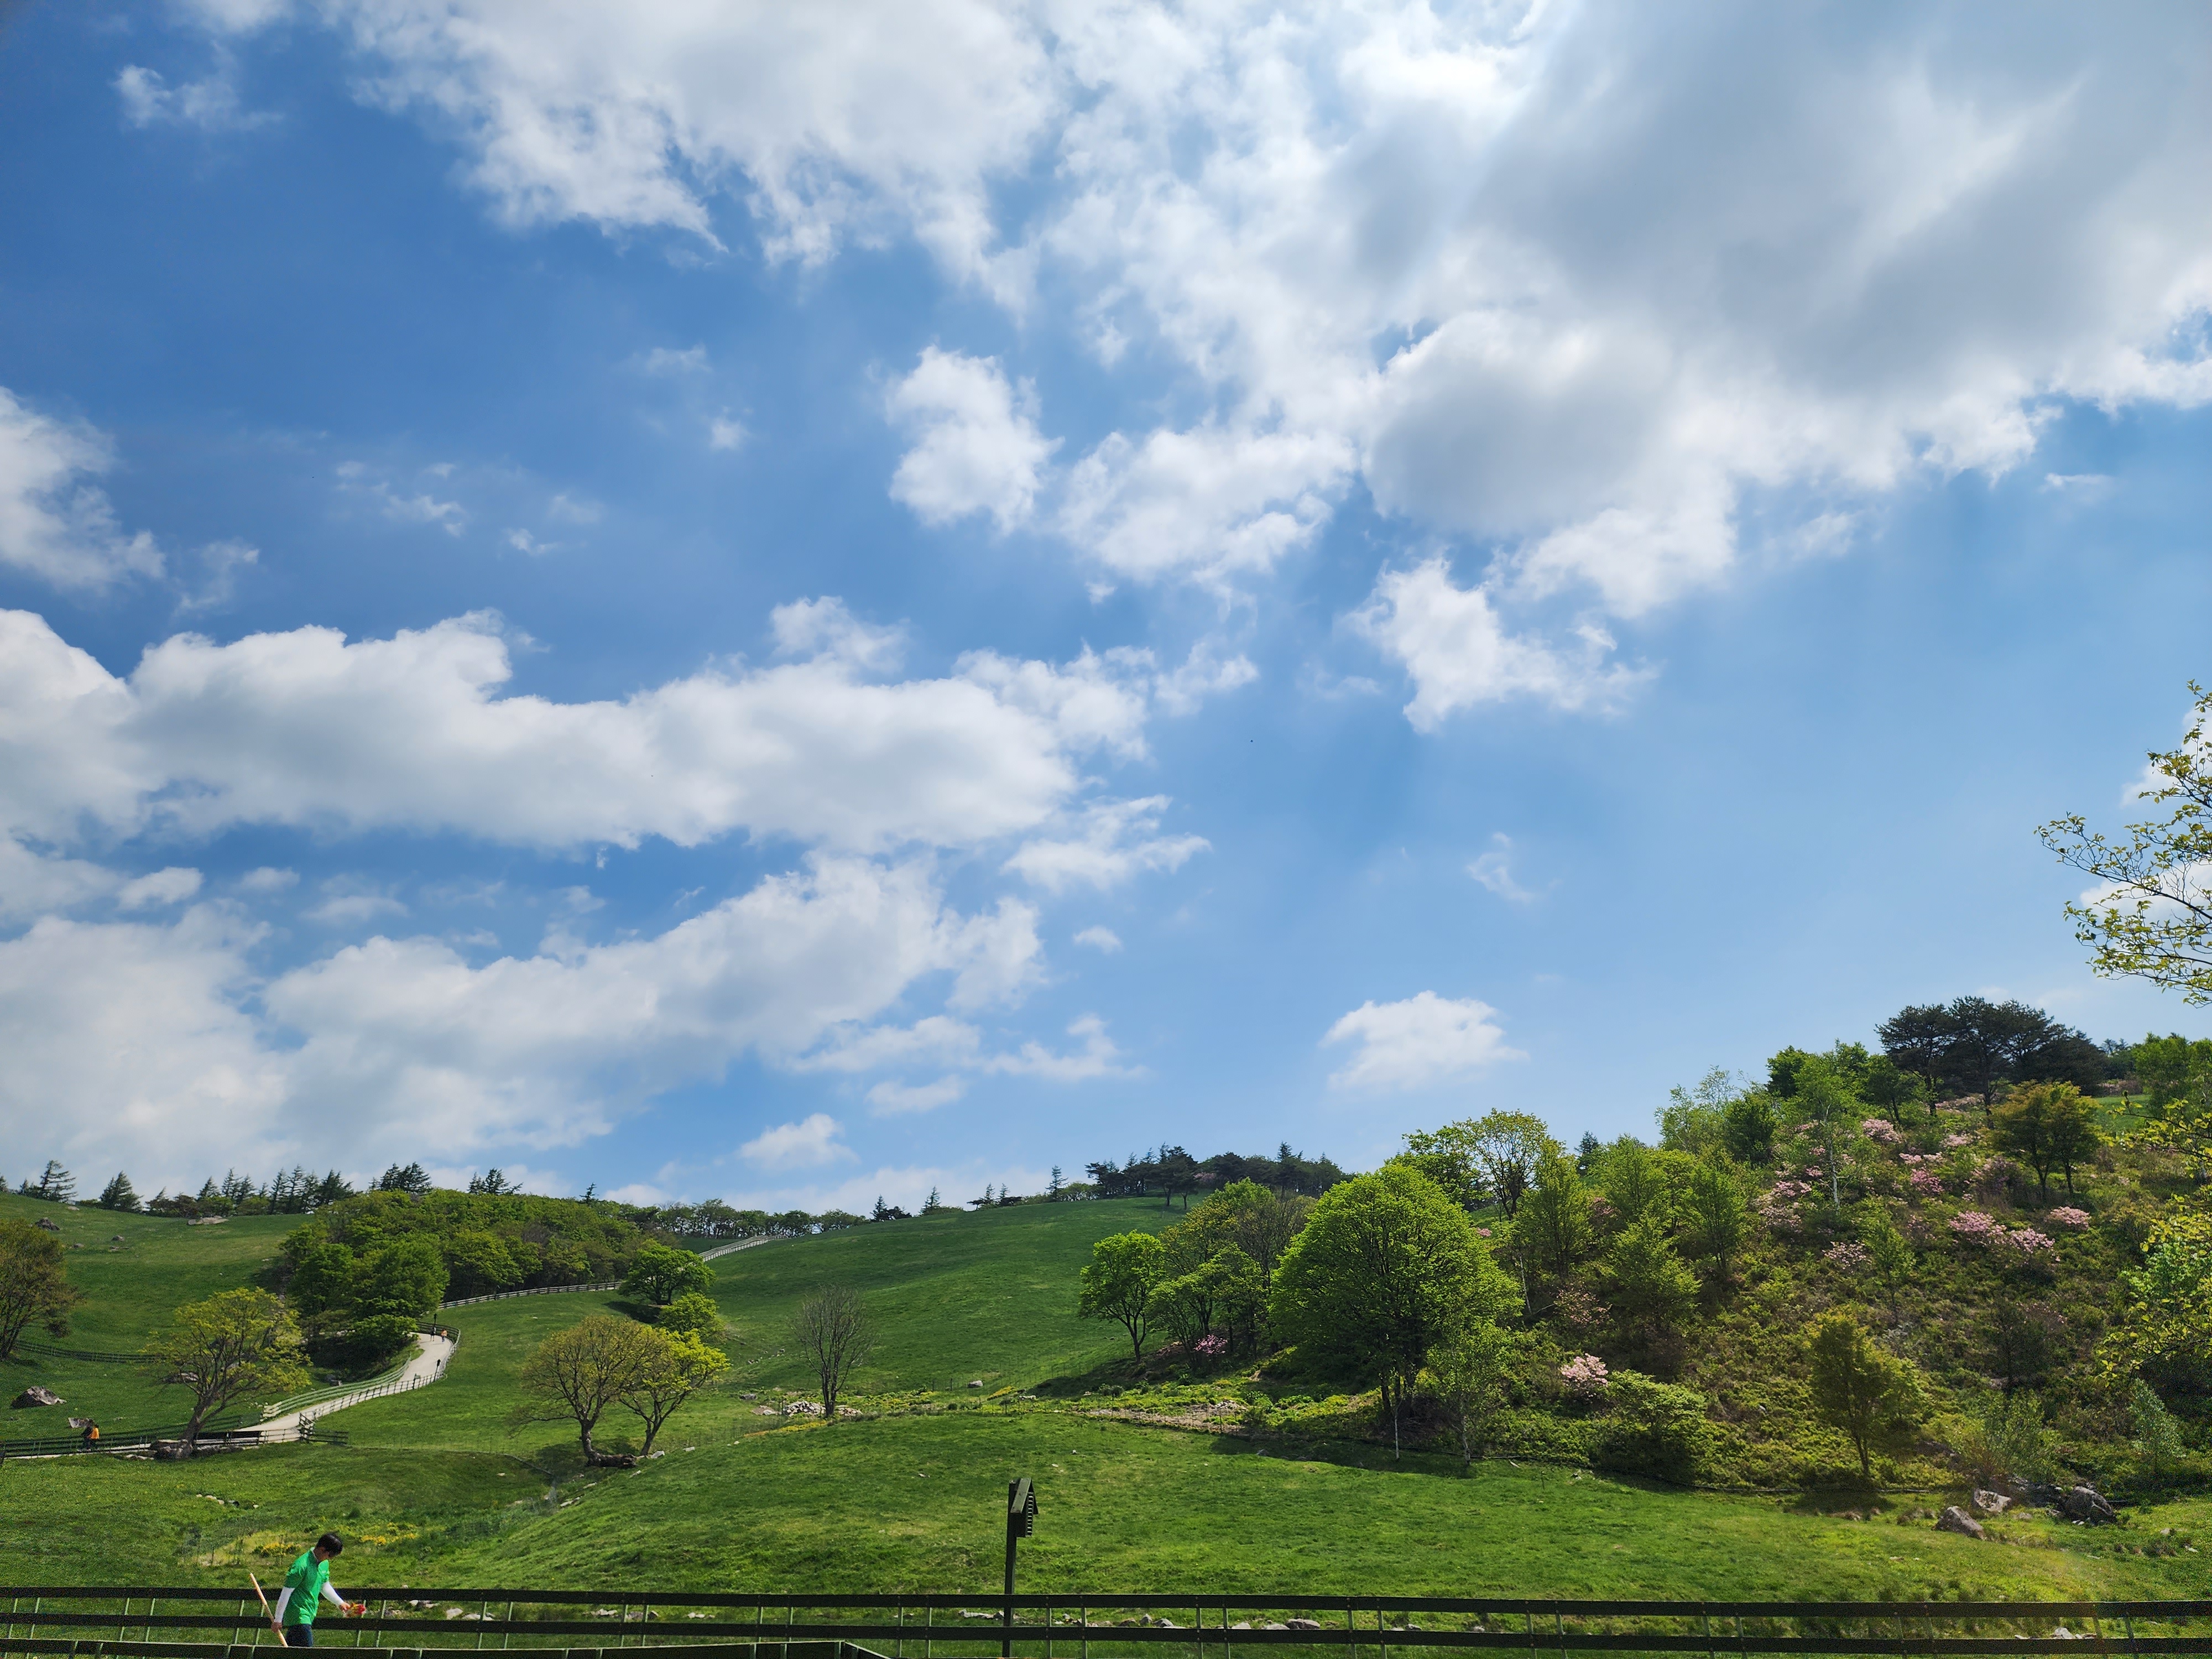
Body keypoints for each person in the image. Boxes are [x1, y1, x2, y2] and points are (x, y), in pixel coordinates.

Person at [273, 1533, 364, 1646]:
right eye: (331, 1555)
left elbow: (324, 1586)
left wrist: (340, 1602)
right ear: (322, 1549)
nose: (330, 1559)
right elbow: (286, 1593)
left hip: (309, 1614)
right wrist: (278, 1619)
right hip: (299, 1614)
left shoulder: (324, 1564)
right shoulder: (301, 1566)